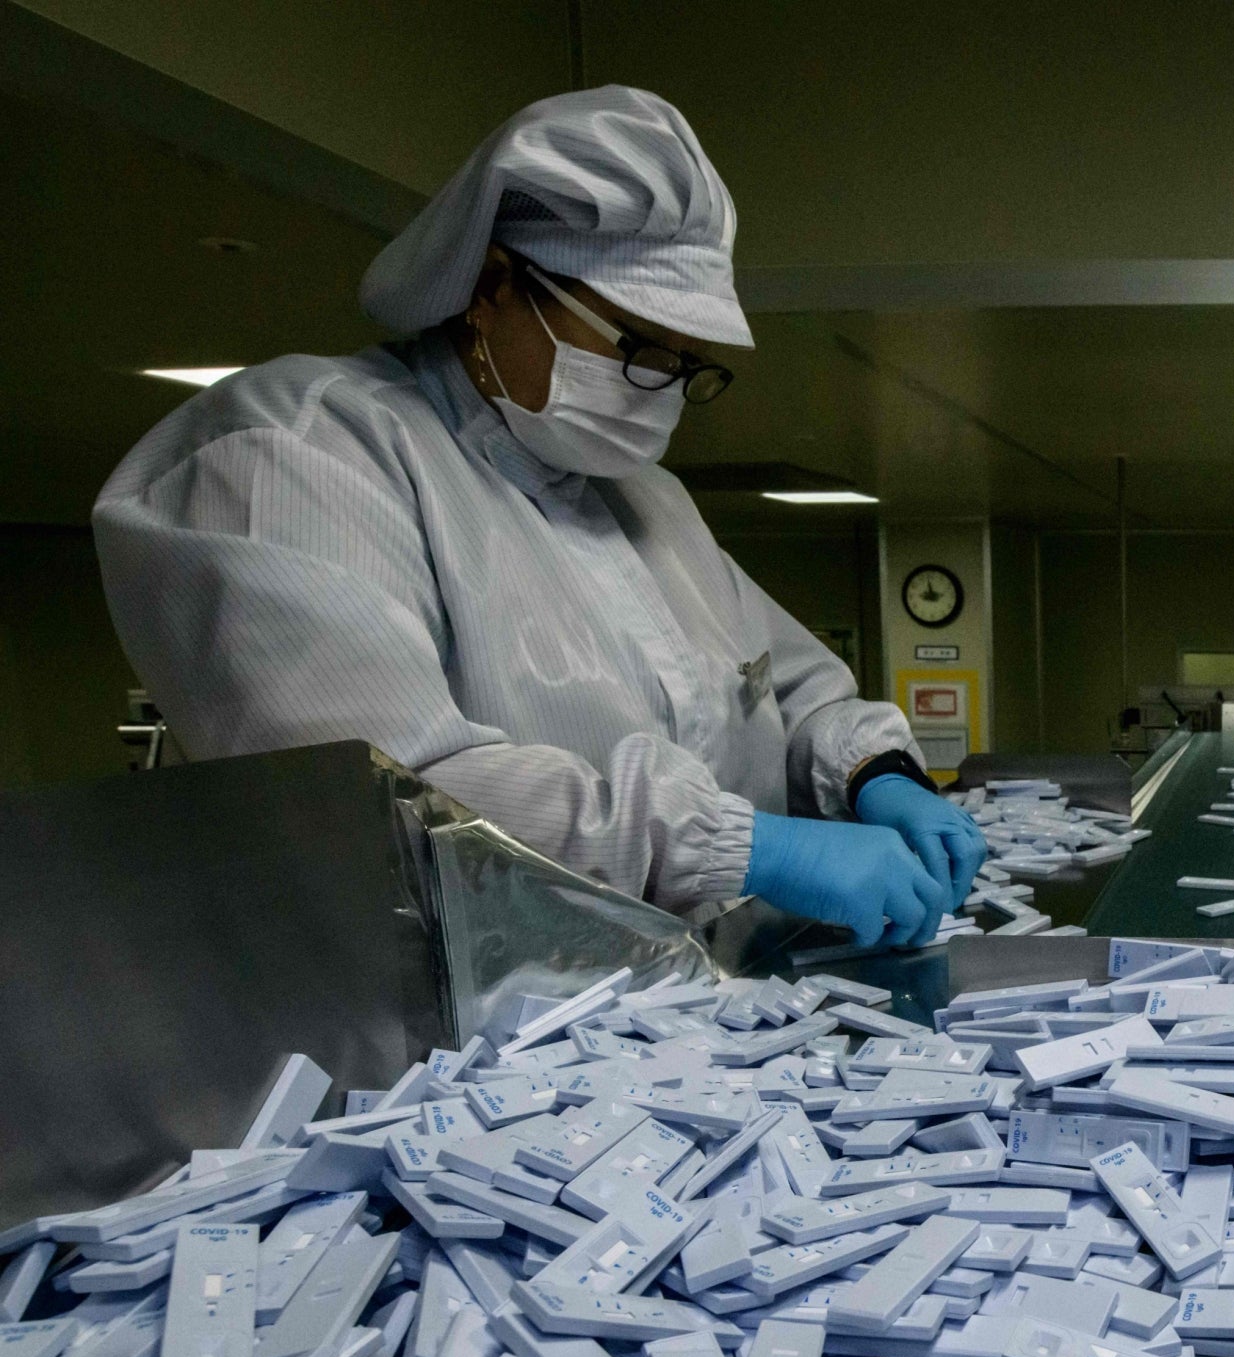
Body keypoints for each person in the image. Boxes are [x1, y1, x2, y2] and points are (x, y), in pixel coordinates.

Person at [93, 88, 984, 949]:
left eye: (688, 366)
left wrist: (877, 772)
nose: (663, 392)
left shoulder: (642, 498)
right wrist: (750, 847)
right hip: (425, 1055)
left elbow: (788, 690)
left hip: (672, 1026)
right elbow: (384, 805)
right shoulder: (294, 454)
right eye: (638, 348)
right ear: (492, 286)